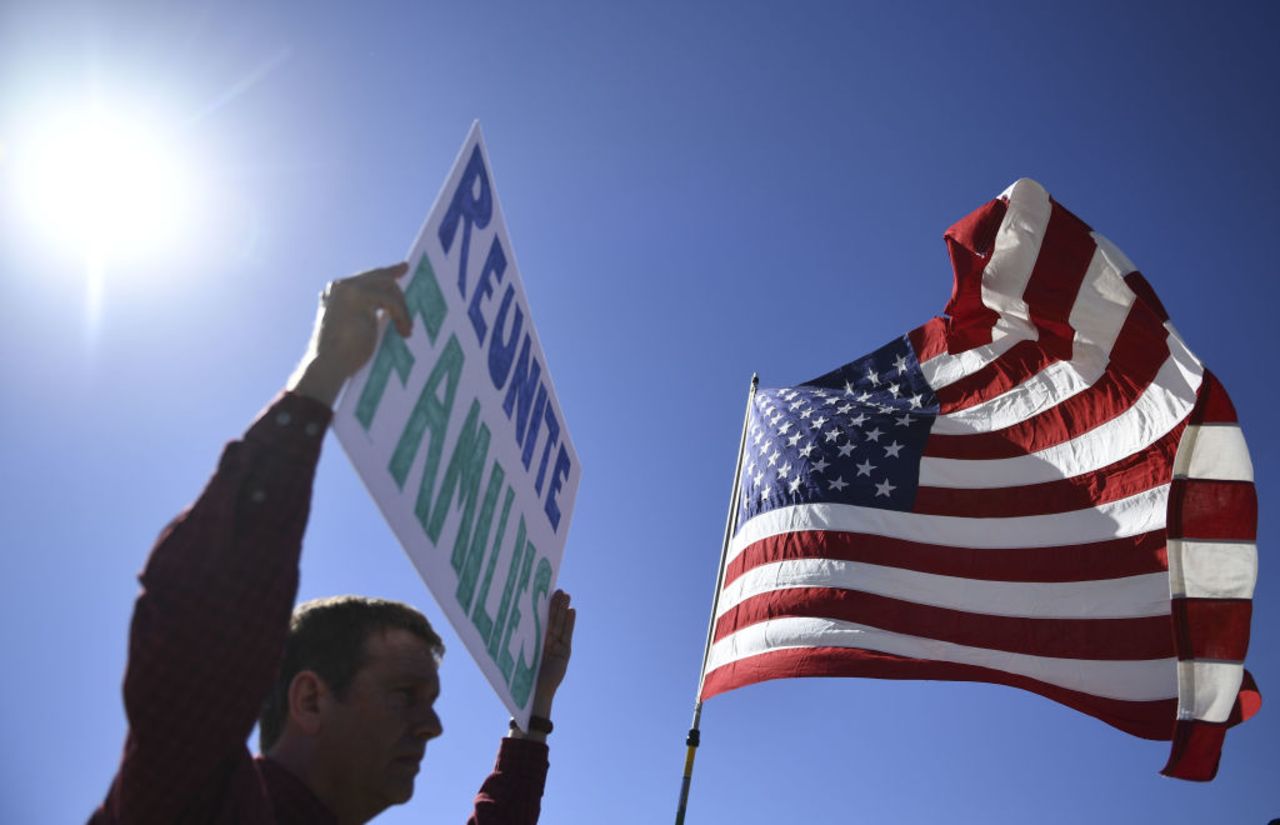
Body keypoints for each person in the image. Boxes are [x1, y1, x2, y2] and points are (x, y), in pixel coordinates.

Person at [90, 263, 576, 825]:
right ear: (310, 700)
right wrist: (320, 381)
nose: (433, 726)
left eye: (430, 700)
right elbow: (204, 633)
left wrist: (532, 710)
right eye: (406, 694)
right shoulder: (196, 801)